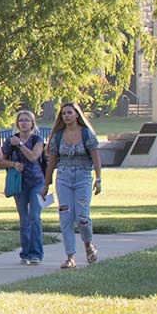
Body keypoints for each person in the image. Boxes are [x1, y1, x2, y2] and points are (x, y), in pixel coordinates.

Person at [45, 101, 103, 269]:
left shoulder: (87, 134)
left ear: (77, 114)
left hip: (83, 175)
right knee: (66, 216)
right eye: (64, 114)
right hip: (63, 176)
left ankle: (88, 244)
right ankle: (70, 257)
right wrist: (46, 184)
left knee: (82, 217)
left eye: (70, 113)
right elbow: (52, 161)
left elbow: (96, 158)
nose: (67, 116)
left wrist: (98, 179)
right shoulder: (57, 136)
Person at [0, 109, 49, 265]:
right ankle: (25, 253)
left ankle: (36, 254)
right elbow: (0, 161)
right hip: (19, 184)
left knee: (35, 217)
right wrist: (13, 164)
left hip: (37, 183)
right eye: (21, 120)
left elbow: (34, 157)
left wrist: (20, 144)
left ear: (32, 123)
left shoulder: (37, 140)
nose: (24, 123)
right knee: (24, 219)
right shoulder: (10, 141)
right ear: (17, 124)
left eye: (27, 120)